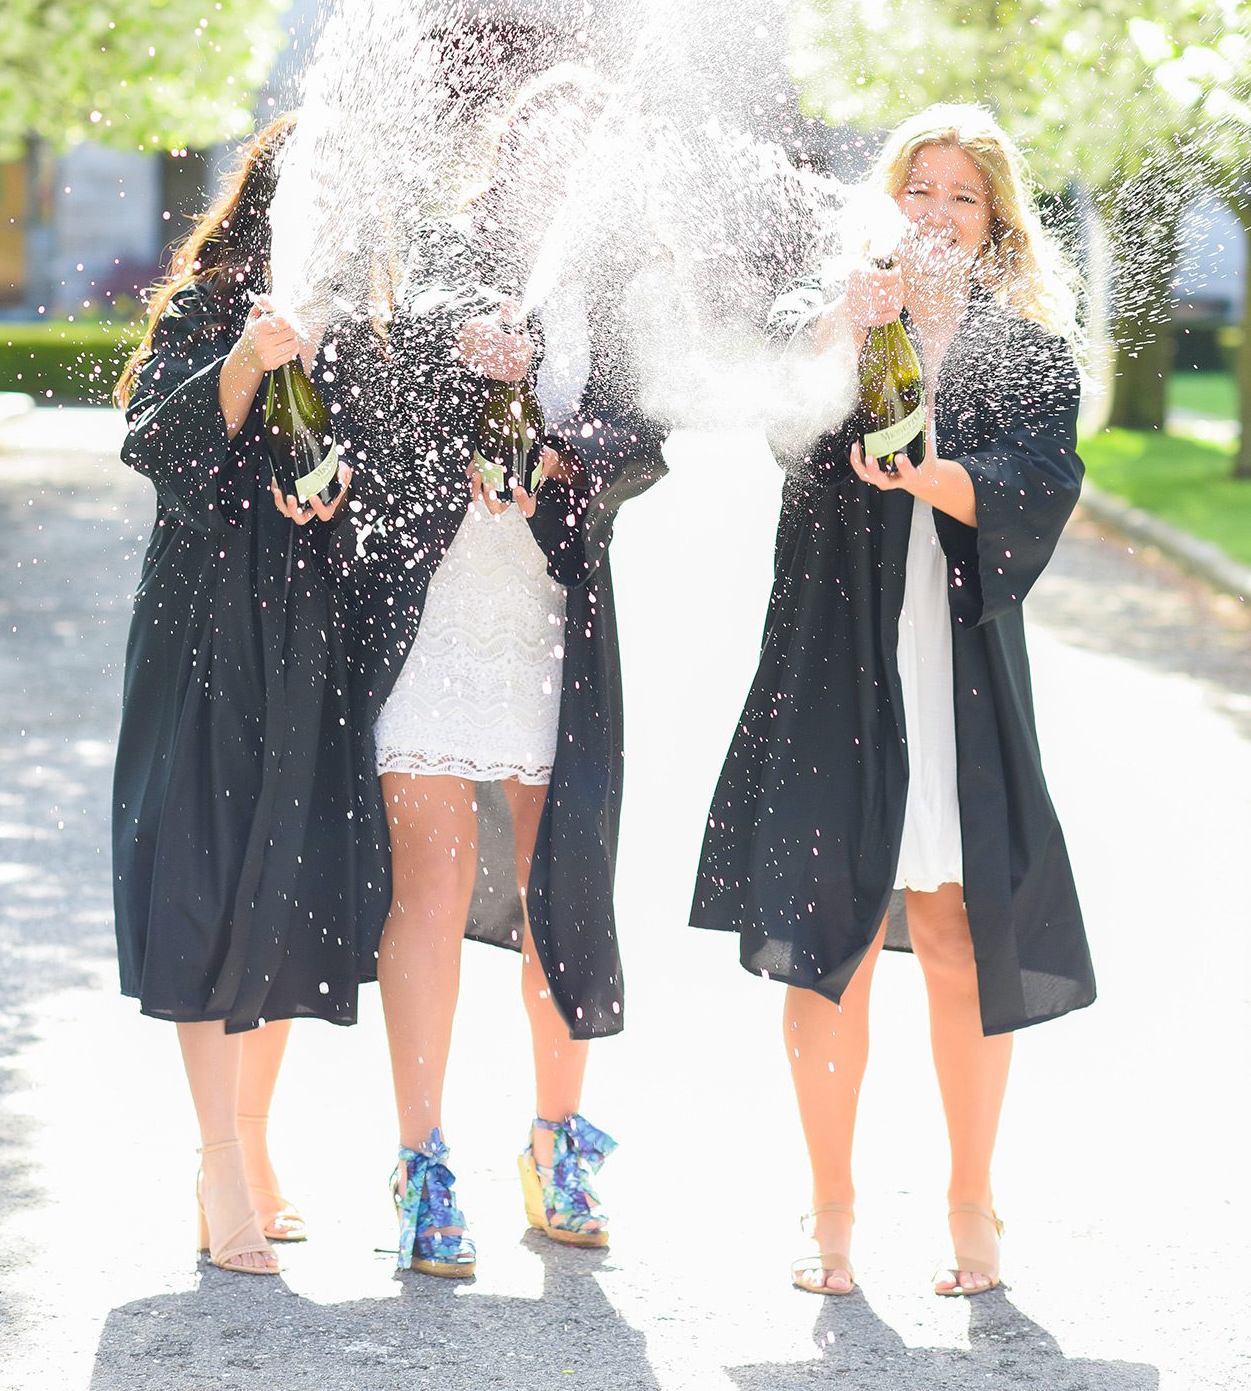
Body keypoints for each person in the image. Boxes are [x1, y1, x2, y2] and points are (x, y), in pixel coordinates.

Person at [692, 104, 1095, 1298]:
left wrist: (935, 476)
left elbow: (1042, 481)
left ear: (994, 221)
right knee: (835, 939)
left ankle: (972, 1202)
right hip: (836, 658)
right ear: (888, 198)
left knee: (962, 927)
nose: (937, 210)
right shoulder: (832, 307)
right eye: (920, 187)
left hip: (957, 662)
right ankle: (831, 1208)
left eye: (964, 194)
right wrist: (842, 323)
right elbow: (781, 417)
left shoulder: (1026, 351)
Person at [325, 64, 667, 1280]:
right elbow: (373, 386)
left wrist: (564, 452)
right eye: (541, 146)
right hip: (435, 616)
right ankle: (422, 1159)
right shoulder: (442, 260)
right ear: (505, 159)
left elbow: (643, 438)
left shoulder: (618, 295)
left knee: (554, 885)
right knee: (428, 885)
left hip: (550, 625)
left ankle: (557, 1140)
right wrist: (454, 357)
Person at [112, 116, 372, 1276]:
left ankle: (254, 1142)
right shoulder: (212, 303)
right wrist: (248, 360)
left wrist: (343, 486)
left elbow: (392, 466)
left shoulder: (362, 318)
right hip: (209, 620)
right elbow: (157, 441)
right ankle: (217, 1159)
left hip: (312, 622)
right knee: (205, 870)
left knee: (284, 872)